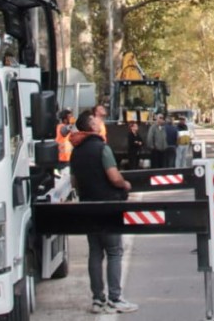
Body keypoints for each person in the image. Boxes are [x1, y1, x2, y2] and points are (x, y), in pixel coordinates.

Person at [68, 114, 138, 315]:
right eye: (95, 119)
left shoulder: (76, 151)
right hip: (108, 206)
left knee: (95, 252)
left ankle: (97, 299)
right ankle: (115, 298)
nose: (99, 120)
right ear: (91, 126)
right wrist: (125, 184)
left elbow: (74, 182)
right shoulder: (102, 148)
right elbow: (114, 177)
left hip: (87, 207)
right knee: (114, 251)